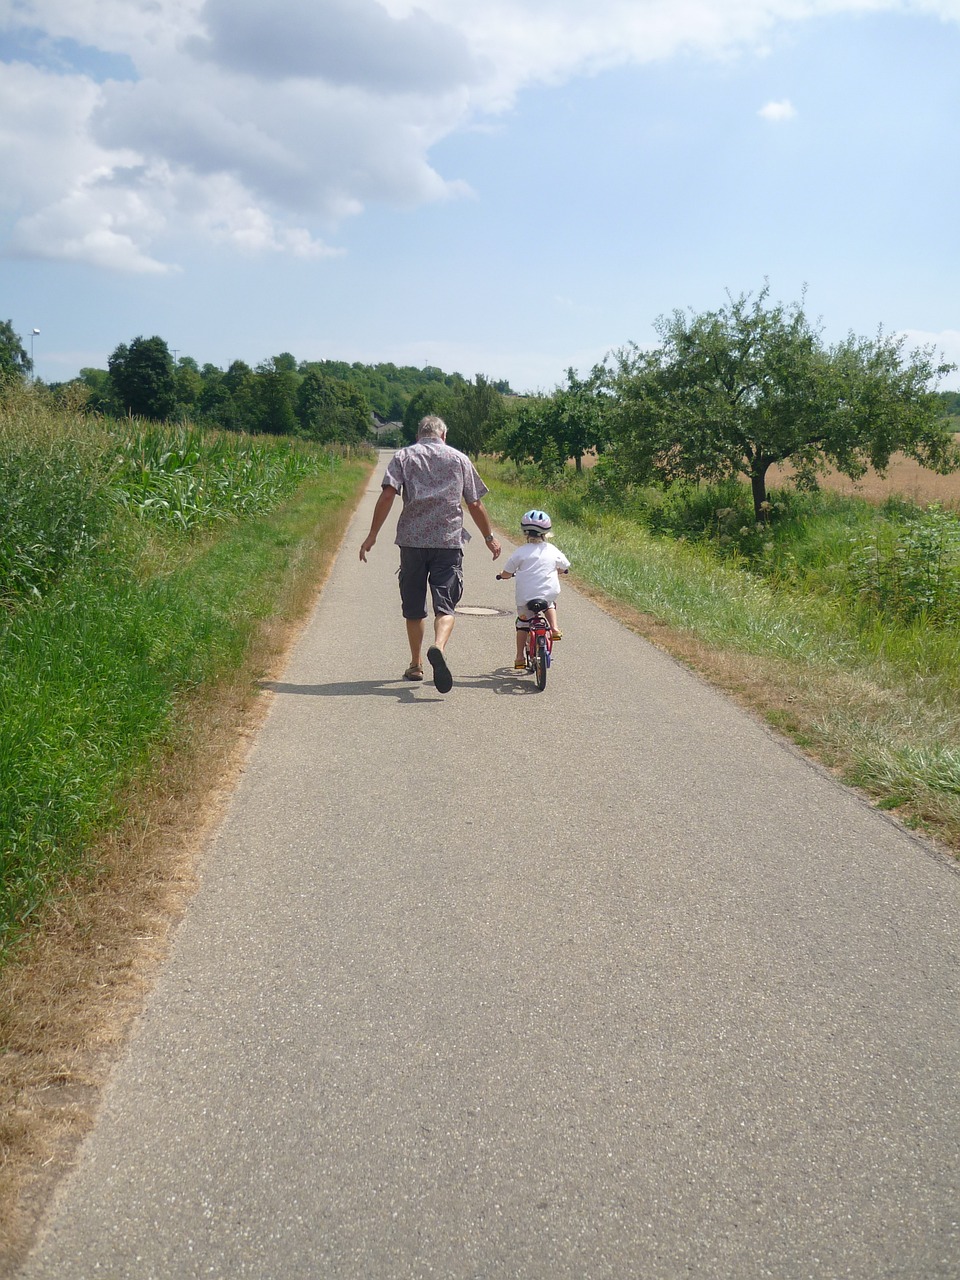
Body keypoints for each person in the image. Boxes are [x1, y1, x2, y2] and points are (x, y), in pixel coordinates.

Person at [359, 415, 501, 692]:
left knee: (414, 607)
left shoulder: (403, 457)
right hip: (447, 542)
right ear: (443, 435)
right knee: (445, 606)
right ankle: (438, 646)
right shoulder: (459, 459)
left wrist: (372, 535)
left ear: (418, 434)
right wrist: (489, 537)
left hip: (411, 543)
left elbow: (387, 495)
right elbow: (474, 503)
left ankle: (415, 664)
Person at [497, 509, 571, 670]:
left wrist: (503, 576)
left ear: (525, 532)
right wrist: (560, 570)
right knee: (550, 604)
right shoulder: (552, 550)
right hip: (548, 595)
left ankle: (519, 658)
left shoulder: (520, 552)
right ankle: (555, 628)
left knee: (523, 623)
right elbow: (565, 565)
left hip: (525, 598)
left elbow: (507, 572)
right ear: (546, 532)